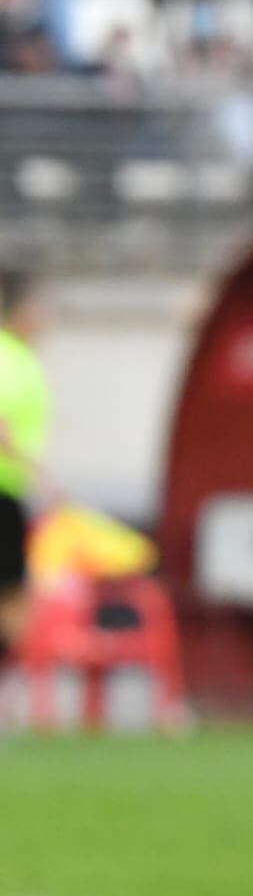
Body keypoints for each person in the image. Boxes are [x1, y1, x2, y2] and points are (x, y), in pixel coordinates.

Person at [0, 273, 50, 657]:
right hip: (4, 492)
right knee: (14, 595)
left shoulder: (21, 358)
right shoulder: (8, 359)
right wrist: (40, 475)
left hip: (13, 490)